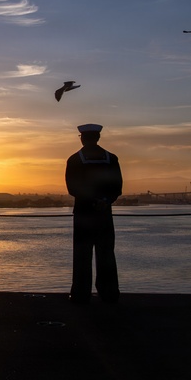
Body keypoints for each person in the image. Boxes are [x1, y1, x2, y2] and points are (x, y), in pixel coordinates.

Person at [65, 123, 123, 304]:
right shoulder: (111, 159)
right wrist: (104, 201)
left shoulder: (75, 160)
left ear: (82, 138)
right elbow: (117, 187)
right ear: (98, 138)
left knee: (82, 254)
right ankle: (109, 292)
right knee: (106, 253)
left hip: (83, 213)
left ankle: (81, 294)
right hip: (104, 214)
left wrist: (90, 201)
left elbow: (72, 187)